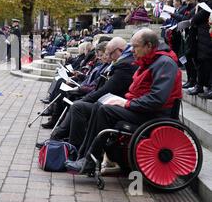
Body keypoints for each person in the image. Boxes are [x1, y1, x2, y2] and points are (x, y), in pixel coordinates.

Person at [66, 29, 182, 174]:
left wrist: (127, 103)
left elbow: (157, 99)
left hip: (155, 115)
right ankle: (84, 156)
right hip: (144, 109)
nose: (131, 50)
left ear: (149, 46)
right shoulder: (150, 61)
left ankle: (89, 160)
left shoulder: (164, 63)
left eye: (135, 46)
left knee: (105, 110)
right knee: (99, 106)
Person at [51, 38, 137, 148]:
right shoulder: (122, 62)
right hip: (110, 99)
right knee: (75, 101)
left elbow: (106, 89)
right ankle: (60, 138)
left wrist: (86, 97)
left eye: (109, 54)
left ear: (119, 51)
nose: (109, 57)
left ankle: (73, 146)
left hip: (114, 103)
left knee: (78, 106)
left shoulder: (125, 64)